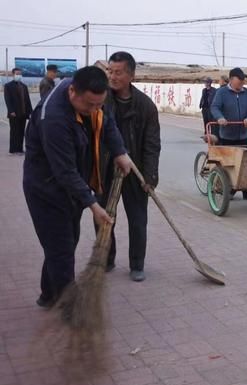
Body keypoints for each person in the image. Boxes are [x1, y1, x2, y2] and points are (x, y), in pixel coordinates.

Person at [23, 66, 133, 308]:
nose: (94, 110)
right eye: (89, 106)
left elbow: (107, 121)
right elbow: (64, 172)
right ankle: (69, 309)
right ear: (73, 92)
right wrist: (94, 205)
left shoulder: (90, 97)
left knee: (63, 243)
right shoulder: (53, 120)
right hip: (47, 190)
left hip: (71, 187)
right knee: (61, 249)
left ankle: (48, 294)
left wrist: (119, 151)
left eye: (98, 104)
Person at [101, 51, 161, 282]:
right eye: (110, 71)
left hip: (135, 172)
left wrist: (150, 176)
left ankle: (137, 264)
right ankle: (106, 258)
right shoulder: (102, 100)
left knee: (137, 220)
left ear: (131, 75)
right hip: (105, 168)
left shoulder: (145, 106)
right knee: (104, 217)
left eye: (118, 72)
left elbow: (152, 144)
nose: (112, 77)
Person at [211, 67, 247, 201]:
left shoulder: (246, 92)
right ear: (231, 79)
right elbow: (215, 107)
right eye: (240, 81)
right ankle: (230, 190)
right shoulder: (222, 92)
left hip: (243, 134)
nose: (242, 83)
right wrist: (220, 118)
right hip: (227, 134)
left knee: (246, 164)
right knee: (229, 165)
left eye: (243, 81)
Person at [4, 68, 33, 155]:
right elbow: (7, 100)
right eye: (17, 74)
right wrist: (11, 110)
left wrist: (30, 112)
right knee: (14, 131)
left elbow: (27, 100)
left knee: (21, 131)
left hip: (23, 113)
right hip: (14, 113)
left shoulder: (24, 86)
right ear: (13, 74)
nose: (19, 75)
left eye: (20, 74)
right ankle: (13, 150)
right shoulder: (8, 86)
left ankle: (20, 149)